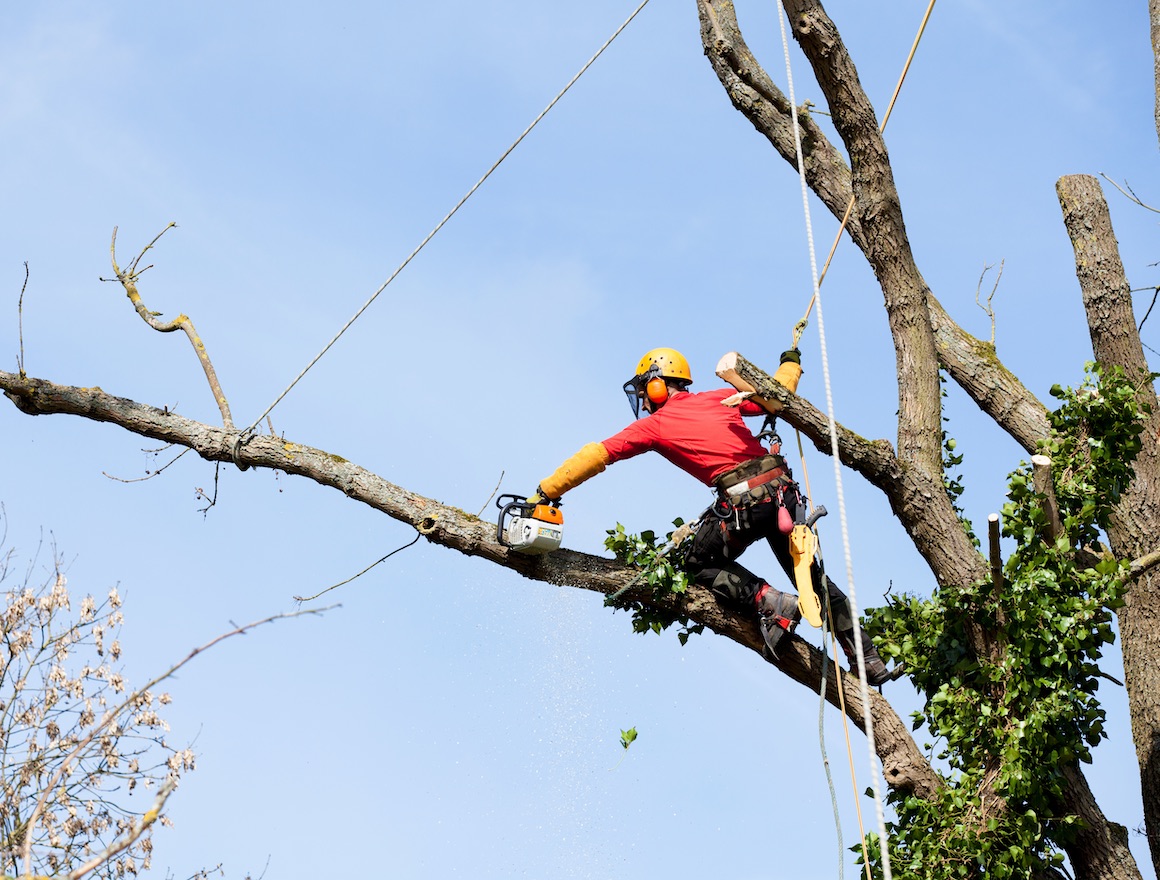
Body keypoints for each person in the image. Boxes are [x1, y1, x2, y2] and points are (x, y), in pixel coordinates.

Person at [530, 347, 892, 686]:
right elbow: (778, 394)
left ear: (657, 384)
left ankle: (768, 600)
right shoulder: (719, 398)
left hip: (745, 505)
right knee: (811, 580)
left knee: (695, 562)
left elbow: (598, 454)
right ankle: (867, 657)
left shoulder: (654, 426)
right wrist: (791, 362)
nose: (642, 399)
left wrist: (548, 491)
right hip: (781, 496)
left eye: (644, 390)